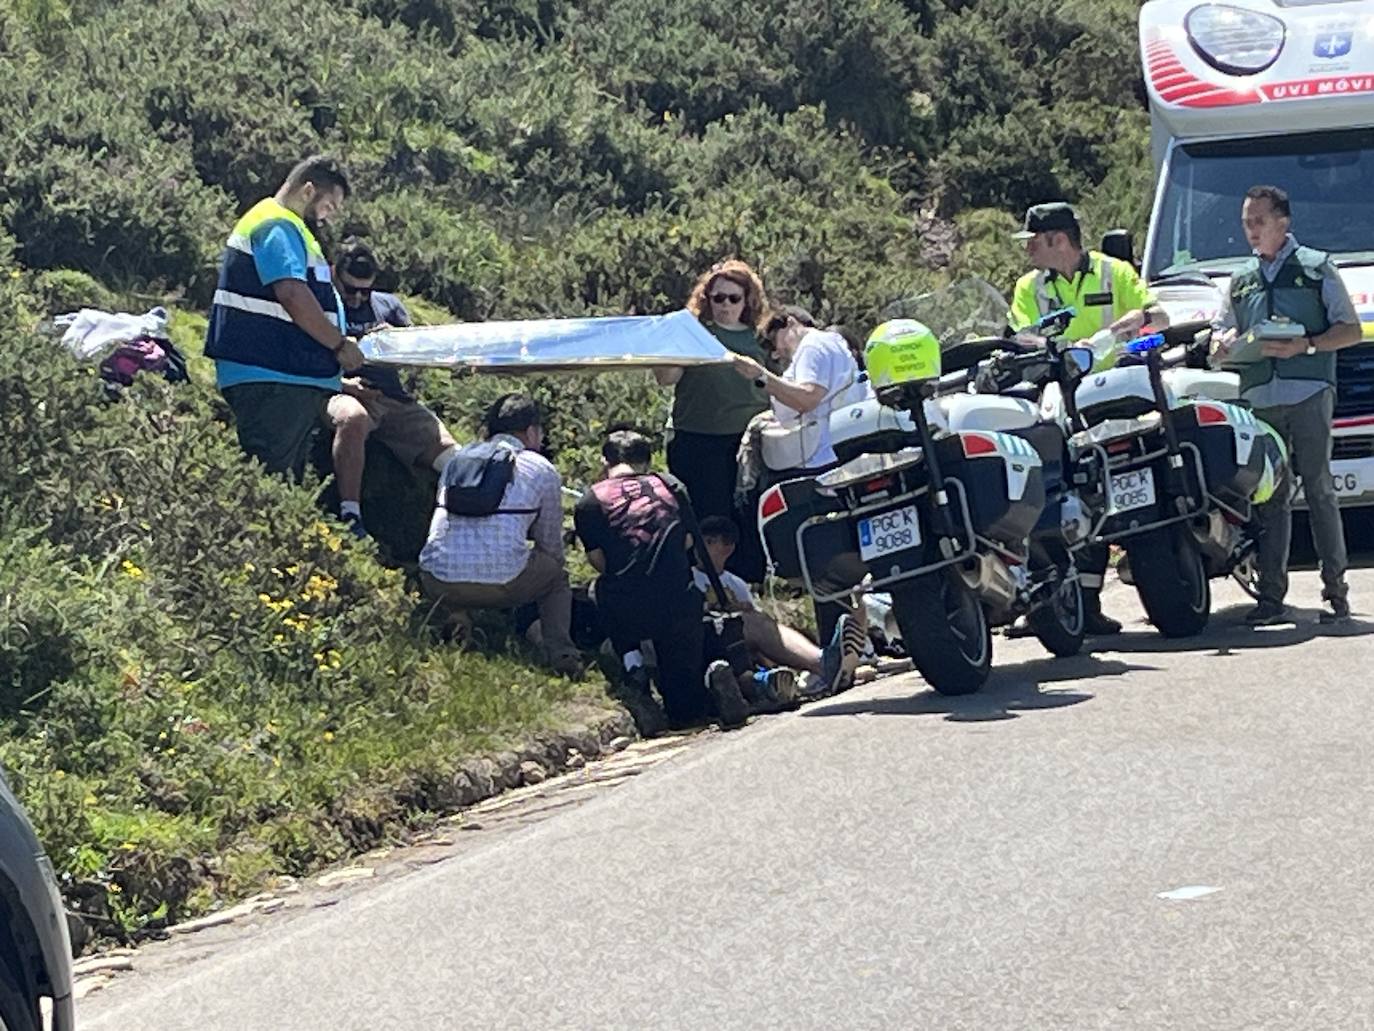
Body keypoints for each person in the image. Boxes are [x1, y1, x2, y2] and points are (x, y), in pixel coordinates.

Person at [1006, 201, 1170, 635]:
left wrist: (1135, 323)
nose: (1028, 252)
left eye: (1034, 242)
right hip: (1061, 401)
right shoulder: (1028, 287)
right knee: (1076, 491)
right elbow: (1020, 336)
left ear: (1059, 240)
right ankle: (1078, 602)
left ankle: (1151, 569)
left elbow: (1158, 314)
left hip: (1120, 400)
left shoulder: (1113, 272)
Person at [1211, 185, 1360, 625]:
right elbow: (1219, 336)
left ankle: (1336, 590)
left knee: (1319, 490)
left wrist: (1308, 346)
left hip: (1309, 392)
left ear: (1283, 222)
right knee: (1269, 497)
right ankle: (1271, 596)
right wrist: (1221, 344)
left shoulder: (1316, 268)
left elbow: (1349, 329)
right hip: (1259, 400)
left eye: (1259, 221)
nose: (1251, 231)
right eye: (1246, 223)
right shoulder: (1240, 280)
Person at [205, 155, 366, 500]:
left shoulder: (294, 231)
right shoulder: (277, 225)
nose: (330, 215)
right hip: (273, 375)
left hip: (288, 377)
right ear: (308, 191)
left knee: (282, 487)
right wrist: (338, 345)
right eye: (330, 205)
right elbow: (292, 293)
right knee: (269, 488)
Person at [574, 431, 752, 735]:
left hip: (626, 606)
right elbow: (685, 542)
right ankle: (711, 679)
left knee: (599, 588)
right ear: (647, 460)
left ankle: (634, 670)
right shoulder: (670, 486)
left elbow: (599, 562)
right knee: (685, 708)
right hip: (679, 601)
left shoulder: (591, 500)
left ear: (606, 462)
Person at [730, 304, 870, 657]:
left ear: (789, 324)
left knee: (825, 564)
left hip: (824, 464)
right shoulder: (832, 347)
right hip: (839, 454)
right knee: (844, 565)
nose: (777, 352)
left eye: (774, 342)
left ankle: (843, 648)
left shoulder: (812, 347)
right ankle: (856, 645)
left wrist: (762, 376)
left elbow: (808, 397)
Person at [418, 394, 583, 677]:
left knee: (456, 555)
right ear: (531, 431)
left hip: (436, 580)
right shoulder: (540, 468)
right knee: (556, 576)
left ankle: (458, 618)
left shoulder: (457, 461)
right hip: (503, 583)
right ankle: (561, 654)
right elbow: (550, 544)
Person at [324, 239, 459, 537]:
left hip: (393, 398)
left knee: (451, 453)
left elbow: (418, 352)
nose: (358, 298)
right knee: (353, 418)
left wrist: (397, 340)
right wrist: (347, 385)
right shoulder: (321, 304)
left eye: (365, 291)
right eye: (350, 290)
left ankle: (465, 519)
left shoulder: (388, 306)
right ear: (335, 275)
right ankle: (351, 513)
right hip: (342, 390)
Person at [654, 259, 772, 580]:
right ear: (707, 299)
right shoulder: (693, 333)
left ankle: (749, 578)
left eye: (733, 298)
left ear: (747, 300)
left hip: (747, 441)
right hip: (696, 437)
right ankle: (701, 579)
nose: (725, 305)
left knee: (746, 511)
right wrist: (668, 343)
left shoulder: (761, 339)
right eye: (718, 298)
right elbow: (665, 378)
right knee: (702, 511)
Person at [697, 516, 862, 699]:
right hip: (709, 639)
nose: (701, 548)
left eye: (711, 542)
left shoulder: (736, 584)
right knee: (753, 622)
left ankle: (784, 678)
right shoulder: (689, 578)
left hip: (740, 643)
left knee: (758, 621)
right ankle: (822, 665)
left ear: (728, 547)